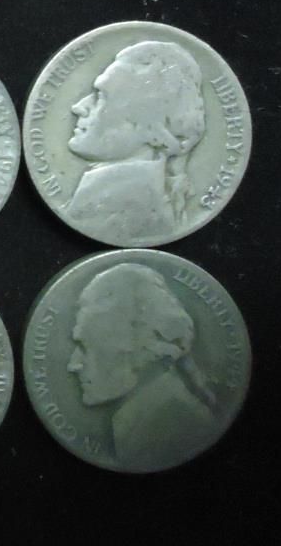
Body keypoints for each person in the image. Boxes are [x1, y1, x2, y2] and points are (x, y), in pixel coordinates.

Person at [68, 263, 217, 470]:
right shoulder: (135, 427)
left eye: (85, 346)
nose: (73, 364)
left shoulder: (177, 429)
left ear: (143, 347)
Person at [66, 41, 205, 242]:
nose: (79, 106)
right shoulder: (106, 198)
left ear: (152, 125)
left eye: (102, 96)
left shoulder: (118, 210)